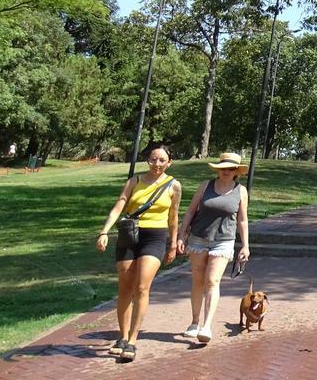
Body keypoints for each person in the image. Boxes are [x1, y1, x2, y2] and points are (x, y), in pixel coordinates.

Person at [95, 145, 181, 361]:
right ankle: (122, 337)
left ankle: (133, 340)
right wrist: (104, 231)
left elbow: (173, 217)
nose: (157, 164)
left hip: (155, 238)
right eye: (153, 159)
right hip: (129, 236)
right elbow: (119, 206)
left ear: (169, 163)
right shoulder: (134, 181)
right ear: (148, 161)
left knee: (142, 286)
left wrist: (172, 244)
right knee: (125, 288)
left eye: (162, 160)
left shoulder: (174, 185)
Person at [177, 151, 250, 344]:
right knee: (198, 280)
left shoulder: (240, 190)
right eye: (224, 168)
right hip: (199, 238)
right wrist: (181, 235)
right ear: (218, 169)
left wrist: (245, 245)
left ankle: (207, 325)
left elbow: (242, 220)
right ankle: (194, 322)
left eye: (231, 168)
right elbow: (190, 211)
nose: (227, 171)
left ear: (236, 171)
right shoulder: (205, 186)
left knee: (212, 280)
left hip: (223, 240)